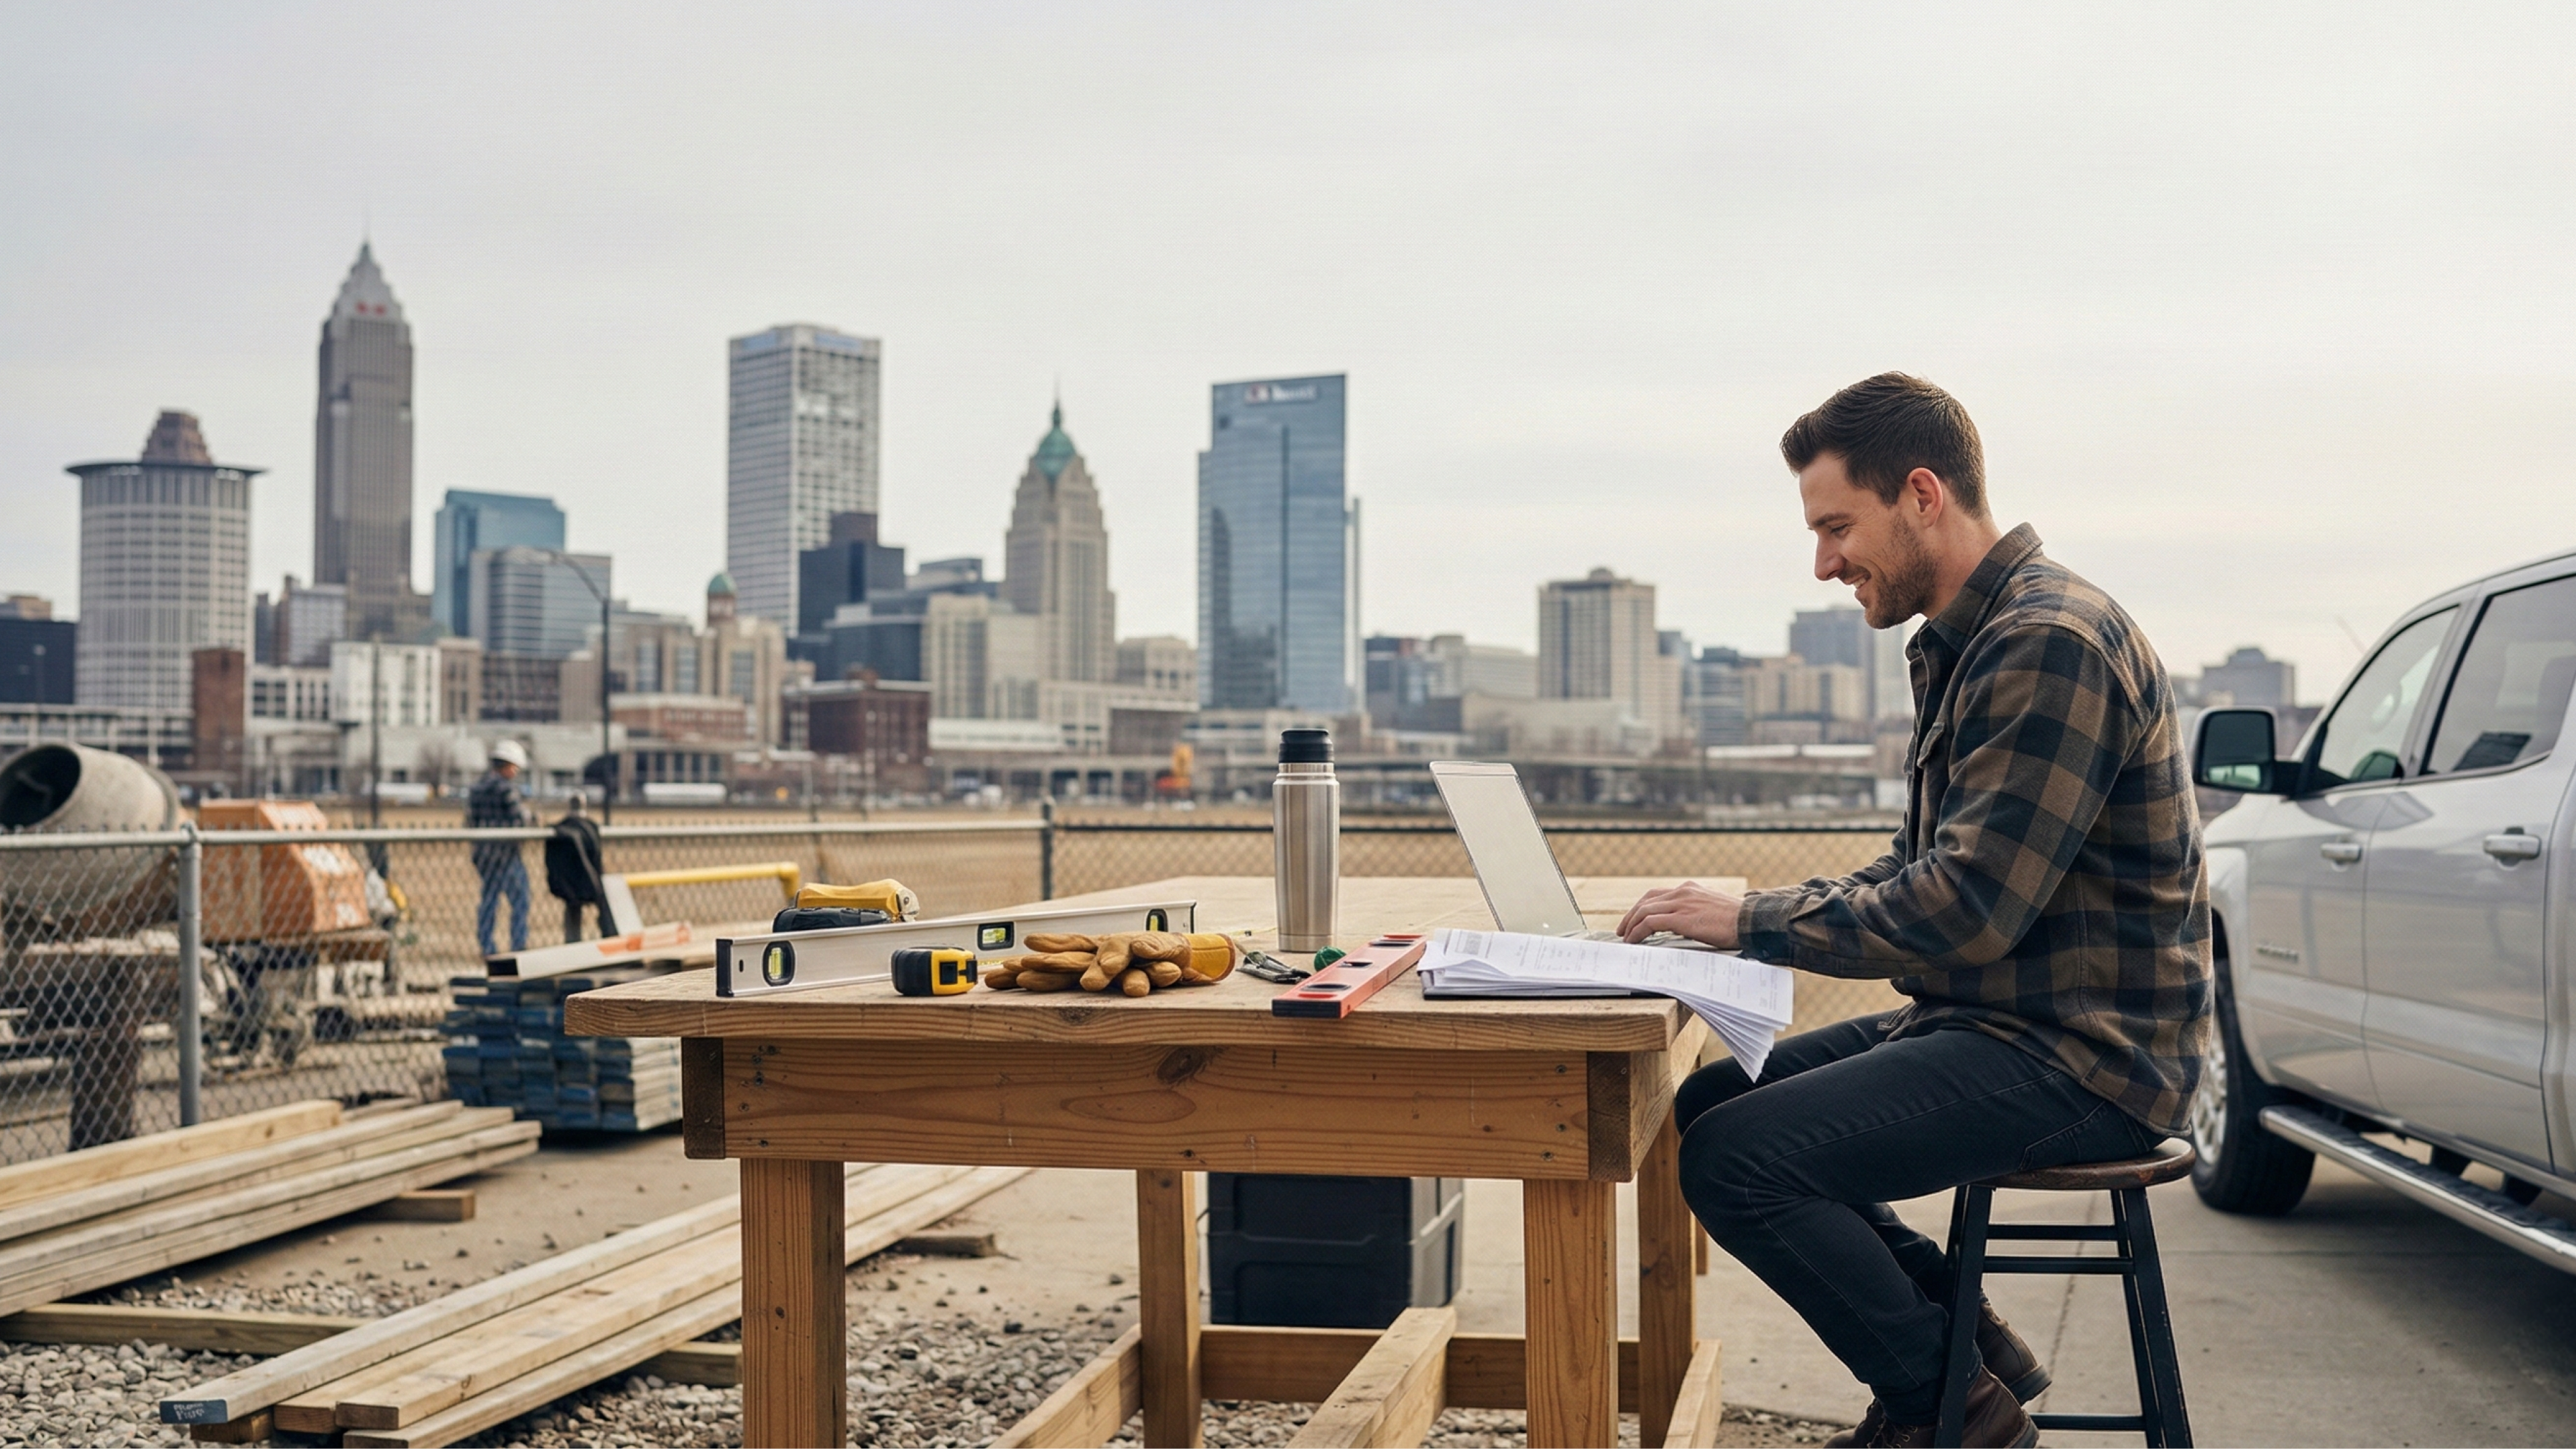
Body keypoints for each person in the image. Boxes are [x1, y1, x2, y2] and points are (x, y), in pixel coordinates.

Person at [1617, 375, 2210, 1449]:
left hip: (2086, 1053)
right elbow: (1918, 866)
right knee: (1708, 1105)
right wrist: (1744, 912)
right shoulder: (1969, 641)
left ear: (1922, 494)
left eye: (1837, 526)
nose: (1824, 561)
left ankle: (1954, 1417)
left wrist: (1750, 918)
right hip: (1995, 1020)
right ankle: (1963, 1355)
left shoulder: (2049, 641)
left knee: (1739, 1159)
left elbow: (1965, 910)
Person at [469, 740, 533, 957]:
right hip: (506, 855)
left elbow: (472, 820)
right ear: (507, 765)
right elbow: (520, 817)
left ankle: (487, 946)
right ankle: (518, 944)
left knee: (489, 901)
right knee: (521, 899)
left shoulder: (477, 789)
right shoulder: (507, 789)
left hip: (485, 854)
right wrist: (533, 818)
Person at [544, 792, 608, 944]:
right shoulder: (590, 827)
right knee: (601, 905)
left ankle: (573, 942)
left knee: (573, 907)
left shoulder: (563, 828)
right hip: (592, 878)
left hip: (571, 881)